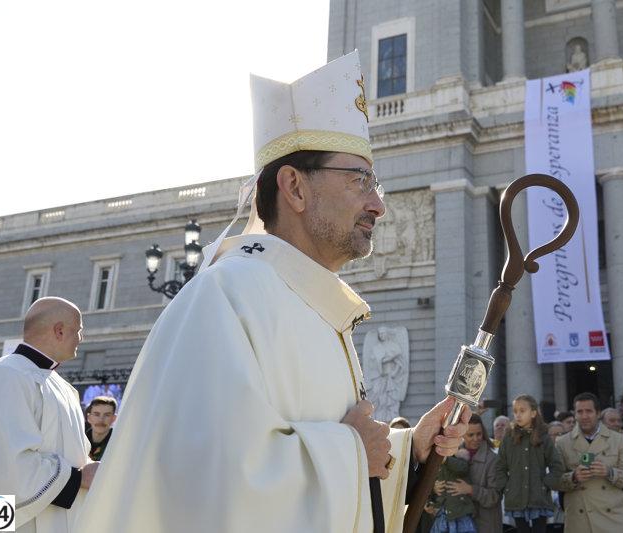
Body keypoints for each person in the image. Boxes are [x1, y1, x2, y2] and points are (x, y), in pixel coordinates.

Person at [74, 51, 469, 533]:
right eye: (360, 180)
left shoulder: (314, 307)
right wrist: (349, 453)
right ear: (295, 188)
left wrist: (407, 451)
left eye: (376, 183)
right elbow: (199, 484)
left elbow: (339, 461)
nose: (378, 204)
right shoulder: (225, 297)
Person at [0, 297, 97, 533]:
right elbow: (3, 467)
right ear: (59, 331)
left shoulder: (63, 387)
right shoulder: (3, 375)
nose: (80, 339)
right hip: (13, 523)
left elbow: (77, 456)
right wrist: (79, 479)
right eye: (78, 330)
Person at [555, 392, 623, 532]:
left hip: (613, 522)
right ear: (574, 414)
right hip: (580, 523)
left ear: (598, 413)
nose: (584, 416)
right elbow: (553, 480)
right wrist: (573, 477)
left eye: (589, 411)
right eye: (580, 412)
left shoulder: (617, 440)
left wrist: (610, 472)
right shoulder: (562, 442)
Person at [496, 395, 564, 533]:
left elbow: (557, 465)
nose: (518, 414)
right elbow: (500, 467)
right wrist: (506, 487)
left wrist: (545, 484)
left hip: (539, 498)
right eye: (515, 411)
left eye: (522, 410)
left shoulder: (544, 437)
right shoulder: (508, 438)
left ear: (533, 413)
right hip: (516, 498)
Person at [438, 414, 503, 533]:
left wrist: (470, 490)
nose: (476, 438)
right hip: (459, 524)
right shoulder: (453, 455)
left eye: (479, 434)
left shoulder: (493, 460)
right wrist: (435, 487)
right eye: (471, 435)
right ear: (462, 435)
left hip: (485, 524)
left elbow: (495, 497)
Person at [429, 449, 477, 533]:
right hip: (443, 512)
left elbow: (462, 467)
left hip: (460, 512)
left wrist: (446, 459)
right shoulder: (436, 464)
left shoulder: (459, 458)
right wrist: (433, 489)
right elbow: (430, 483)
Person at [85, 396, 118, 461]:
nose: (101, 420)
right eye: (96, 414)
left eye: (107, 415)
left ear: (114, 418)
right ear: (89, 418)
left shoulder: (119, 444)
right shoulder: (80, 443)